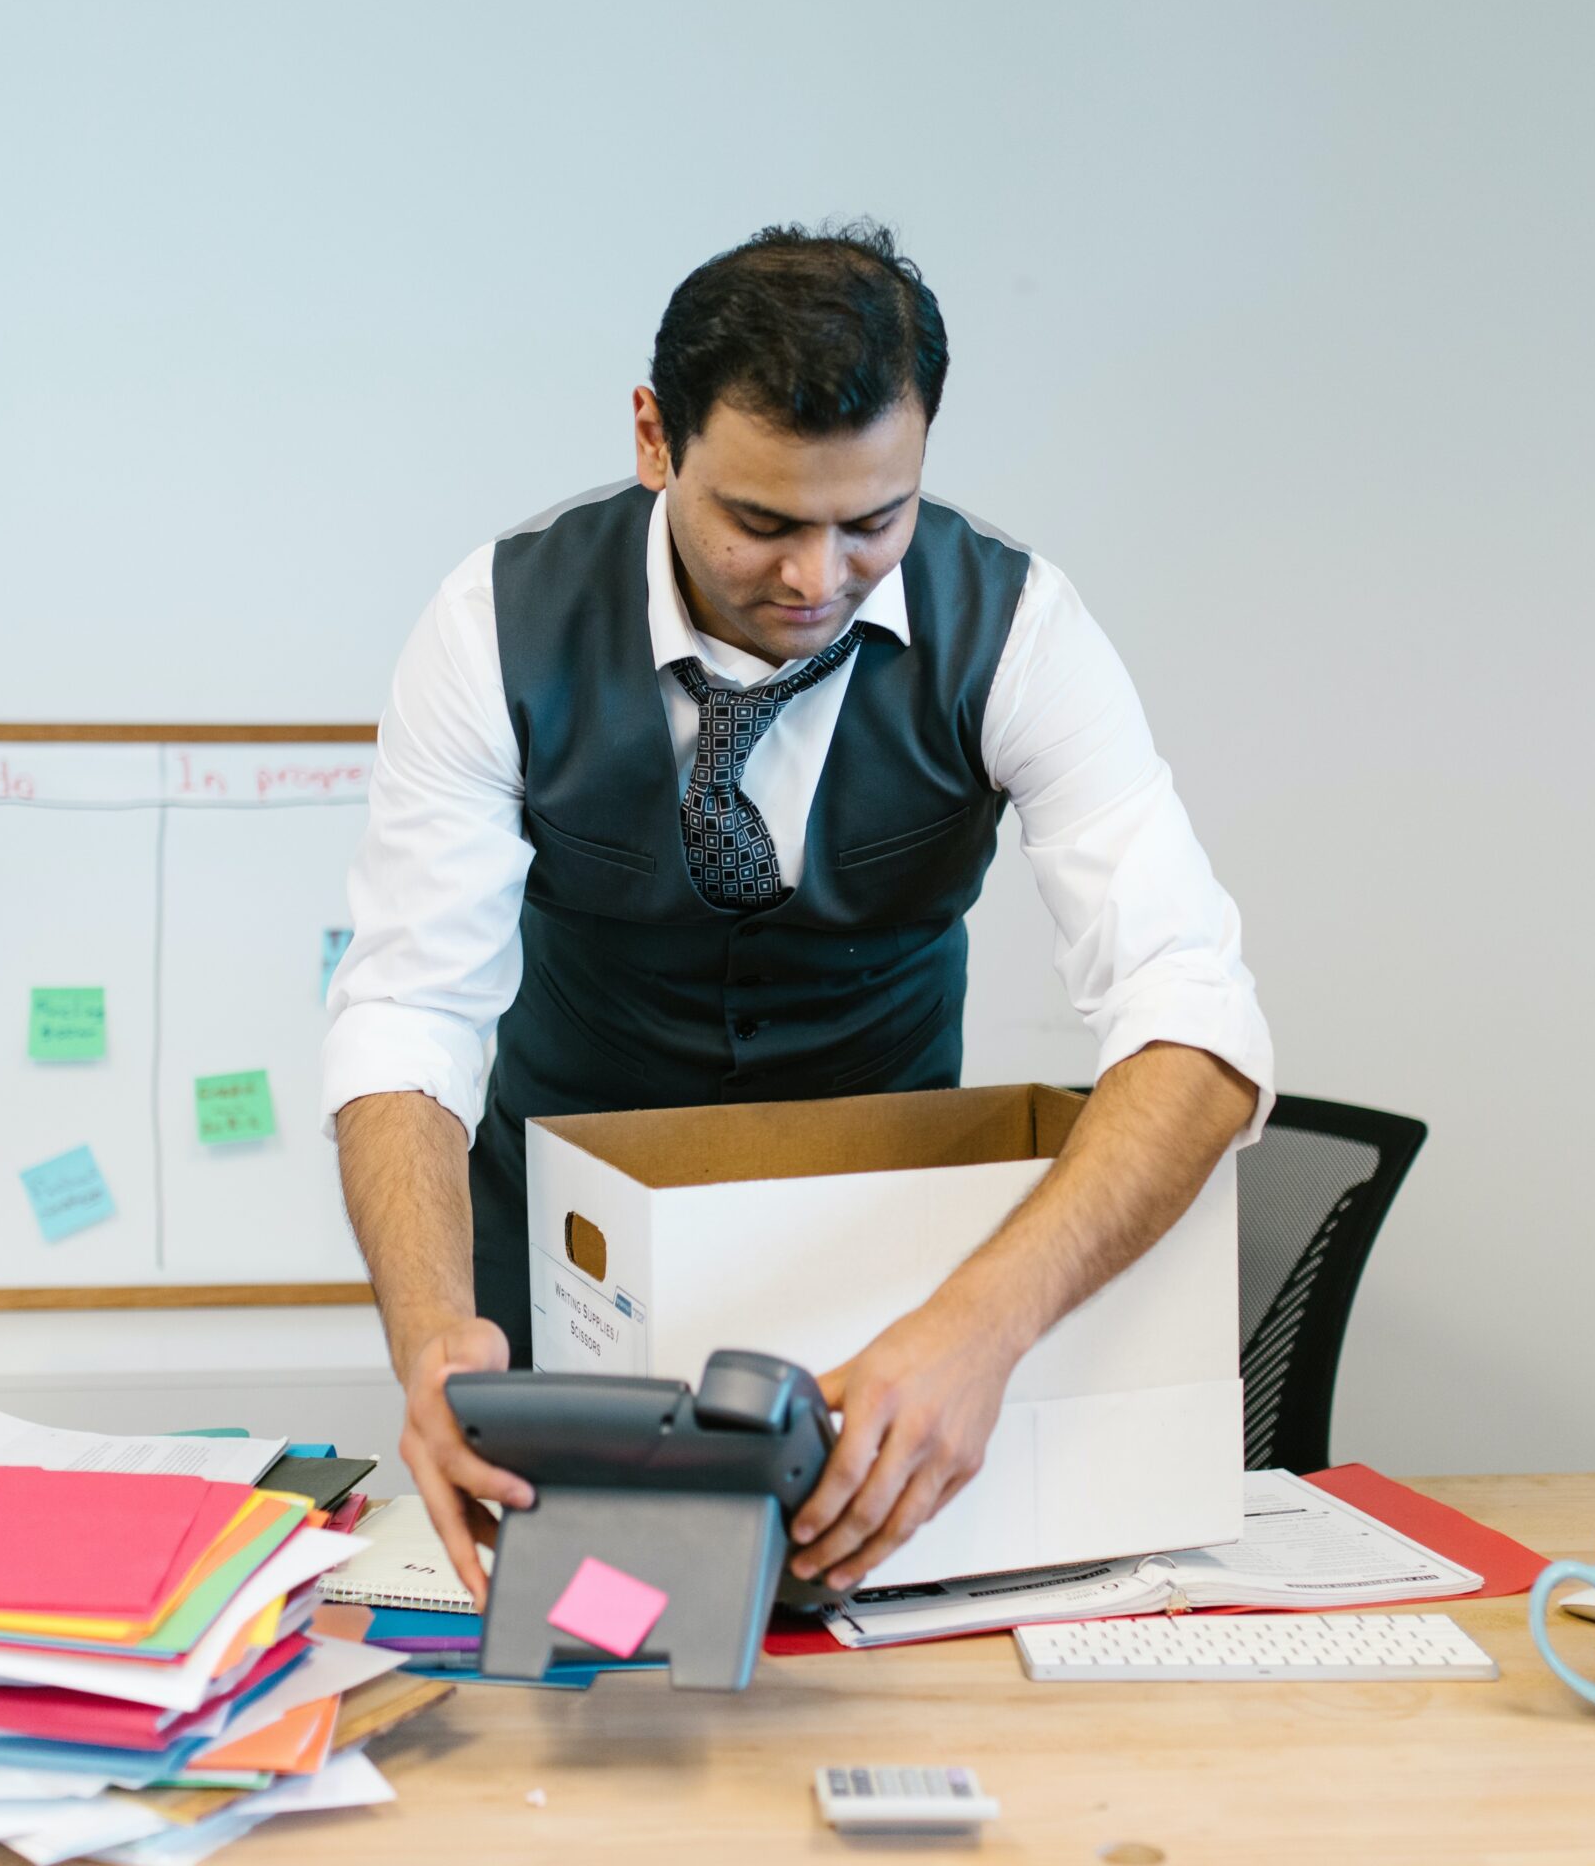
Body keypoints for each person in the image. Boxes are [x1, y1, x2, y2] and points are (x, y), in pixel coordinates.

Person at [321, 220, 1271, 1602]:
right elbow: (410, 1011)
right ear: (656, 438)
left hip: (892, 1326)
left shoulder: (1019, 630)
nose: (817, 580)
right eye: (762, 521)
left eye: (872, 521)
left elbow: (1196, 1019)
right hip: (562, 1305)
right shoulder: (491, 625)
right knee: (581, 1701)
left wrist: (980, 1333)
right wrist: (429, 1335)